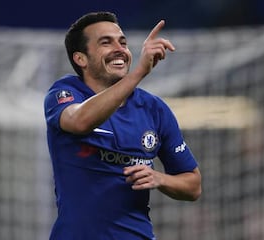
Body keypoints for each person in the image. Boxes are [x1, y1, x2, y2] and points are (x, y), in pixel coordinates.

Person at [44, 11, 201, 240]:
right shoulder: (65, 93)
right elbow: (79, 121)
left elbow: (193, 185)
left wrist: (161, 179)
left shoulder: (154, 109)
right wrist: (139, 73)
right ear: (81, 59)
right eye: (106, 42)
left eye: (123, 42)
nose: (120, 49)